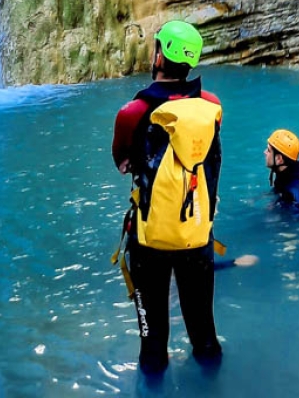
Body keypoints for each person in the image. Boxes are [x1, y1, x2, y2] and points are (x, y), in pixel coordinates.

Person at [112, 20, 223, 375]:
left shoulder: (133, 112)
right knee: (204, 334)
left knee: (153, 340)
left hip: (149, 241)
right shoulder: (211, 105)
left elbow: (121, 161)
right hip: (196, 235)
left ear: (160, 55)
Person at [265, 129, 299, 212]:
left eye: (268, 150)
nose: (265, 152)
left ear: (279, 159)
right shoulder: (284, 174)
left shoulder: (295, 189)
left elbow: (298, 220)